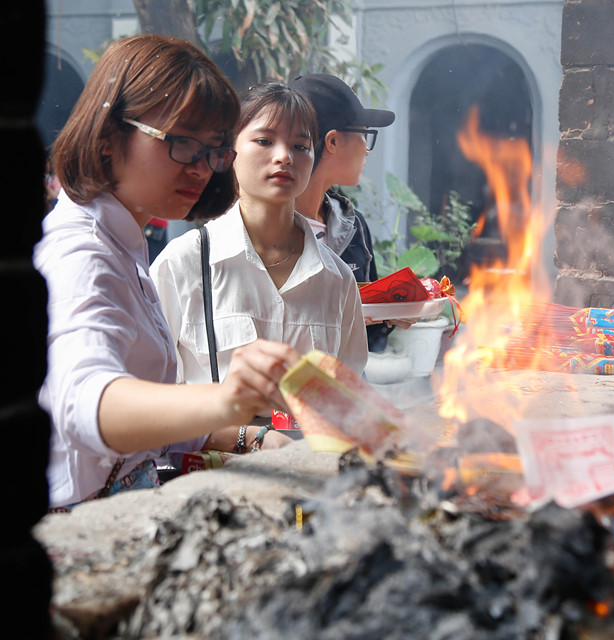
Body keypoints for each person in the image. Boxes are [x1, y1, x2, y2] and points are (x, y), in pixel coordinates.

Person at [35, 34, 300, 511]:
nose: (202, 168)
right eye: (181, 142)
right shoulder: (81, 253)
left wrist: (249, 436)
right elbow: (85, 403)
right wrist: (227, 399)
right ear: (108, 137)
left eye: (214, 149)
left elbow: (151, 412)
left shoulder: (122, 241)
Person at [150, 83, 367, 390]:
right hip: (214, 441)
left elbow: (349, 396)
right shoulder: (184, 263)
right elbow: (155, 396)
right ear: (229, 153)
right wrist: (248, 436)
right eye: (265, 140)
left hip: (307, 440)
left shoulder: (337, 279)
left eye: (300, 146)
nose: (284, 157)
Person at [289, 73, 413, 352]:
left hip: (348, 390)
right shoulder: (268, 229)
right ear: (332, 142)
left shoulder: (352, 225)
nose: (367, 151)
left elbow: (370, 343)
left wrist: (389, 316)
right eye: (364, 134)